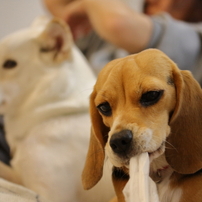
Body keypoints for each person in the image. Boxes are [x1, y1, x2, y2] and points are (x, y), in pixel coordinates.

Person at [42, 0, 202, 85]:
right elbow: (56, 3)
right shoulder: (104, 38)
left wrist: (90, 3)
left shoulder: (193, 38)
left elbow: (117, 23)